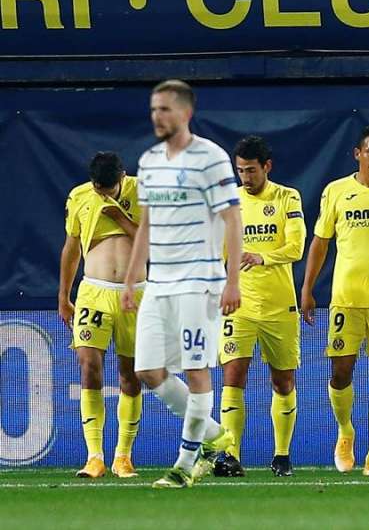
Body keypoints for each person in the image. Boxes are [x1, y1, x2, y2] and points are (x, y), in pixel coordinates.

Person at [122, 79, 243, 488]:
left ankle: (186, 462)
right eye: (154, 109)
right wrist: (132, 279)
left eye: (166, 109)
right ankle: (212, 436)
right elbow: (146, 225)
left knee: (196, 370)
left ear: (186, 113)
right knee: (148, 372)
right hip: (158, 283)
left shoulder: (211, 158)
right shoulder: (150, 161)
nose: (158, 117)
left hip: (199, 282)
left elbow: (232, 219)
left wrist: (232, 281)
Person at [301, 125, 369, 476]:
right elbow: (321, 242)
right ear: (358, 154)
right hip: (347, 298)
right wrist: (306, 289)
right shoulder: (336, 191)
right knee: (340, 371)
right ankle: (345, 430)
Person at [214, 136, 306, 478]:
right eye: (240, 171)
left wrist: (262, 256)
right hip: (239, 304)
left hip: (280, 304)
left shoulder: (287, 198)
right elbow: (218, 252)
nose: (245, 177)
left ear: (267, 166)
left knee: (283, 381)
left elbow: (296, 247)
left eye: (250, 170)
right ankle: (230, 455)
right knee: (233, 377)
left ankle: (282, 455)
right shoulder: (230, 203)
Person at [59, 151, 145, 479]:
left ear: (122, 176)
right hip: (93, 292)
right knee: (88, 365)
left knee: (130, 374)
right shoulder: (80, 196)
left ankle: (123, 455)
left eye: (110, 187)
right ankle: (94, 456)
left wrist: (120, 215)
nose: (104, 193)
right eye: (99, 187)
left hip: (135, 293)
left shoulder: (143, 191)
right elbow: (71, 247)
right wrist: (63, 296)